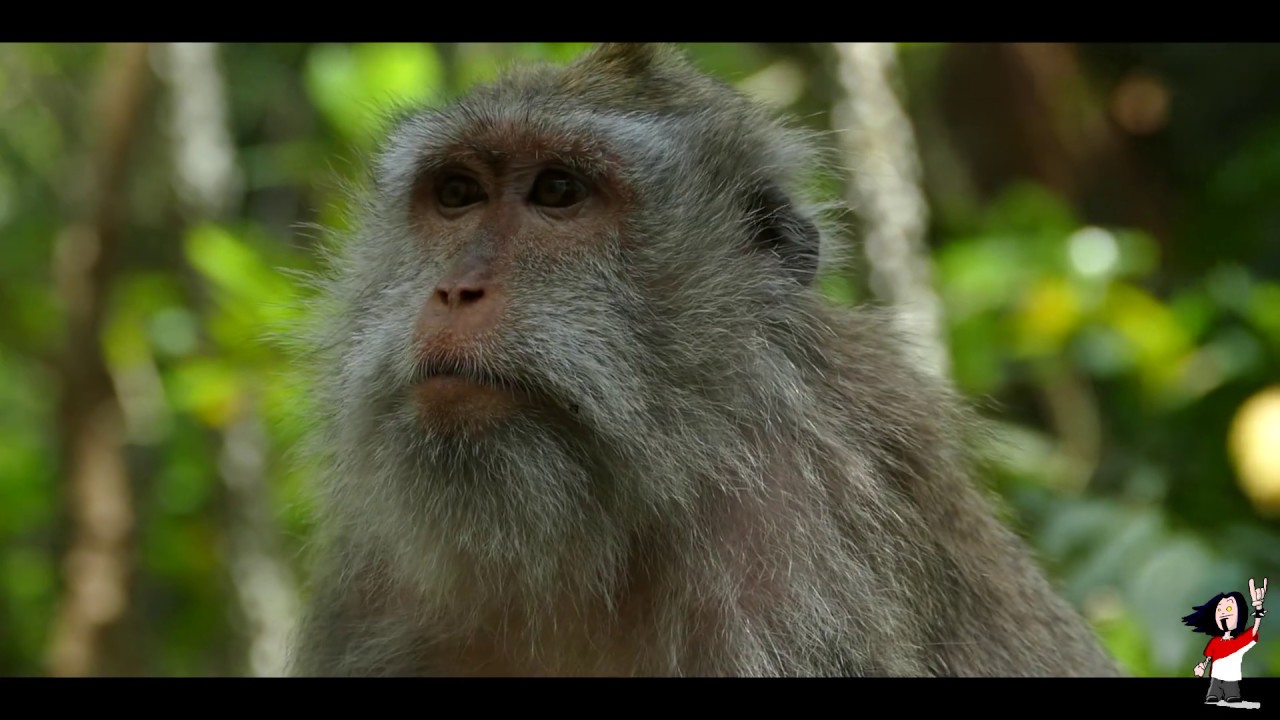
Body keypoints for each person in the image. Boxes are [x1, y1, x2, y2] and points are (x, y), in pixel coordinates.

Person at [1183, 577, 1267, 704]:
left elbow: (1254, 630)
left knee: (1232, 697)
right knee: (1212, 697)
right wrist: (1202, 666)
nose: (1223, 613)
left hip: (1231, 678)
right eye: (1219, 610)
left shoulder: (1239, 641)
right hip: (1215, 678)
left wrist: (1258, 607)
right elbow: (1208, 658)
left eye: (1228, 609)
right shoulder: (1215, 642)